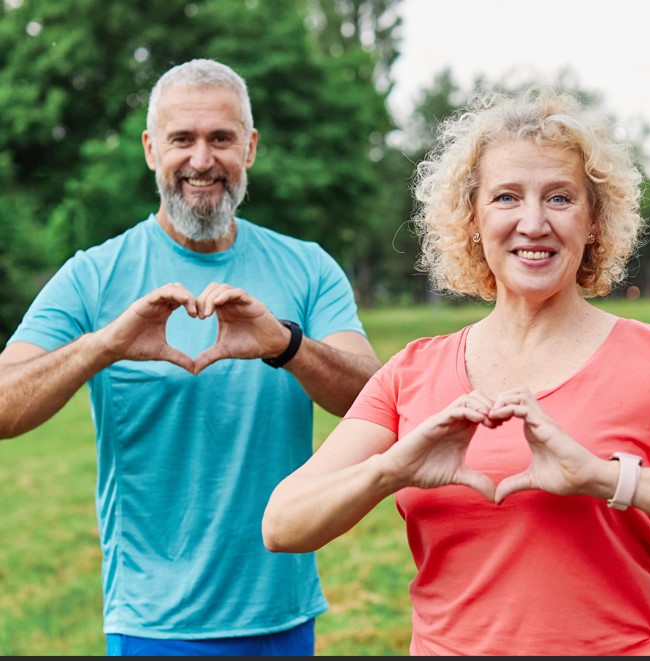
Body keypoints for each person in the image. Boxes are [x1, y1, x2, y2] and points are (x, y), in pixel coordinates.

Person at [261, 87, 650, 656]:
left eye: (559, 198)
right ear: (472, 219)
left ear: (594, 221)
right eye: (506, 197)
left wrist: (606, 479)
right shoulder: (412, 371)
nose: (533, 223)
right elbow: (282, 525)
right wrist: (389, 470)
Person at [0, 59, 381, 656]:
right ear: (152, 149)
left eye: (221, 138)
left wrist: (286, 345)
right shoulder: (94, 275)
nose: (202, 160)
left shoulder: (308, 267)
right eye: (183, 139)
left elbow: (378, 401)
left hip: (281, 613)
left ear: (250, 148)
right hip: (153, 623)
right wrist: (104, 345)